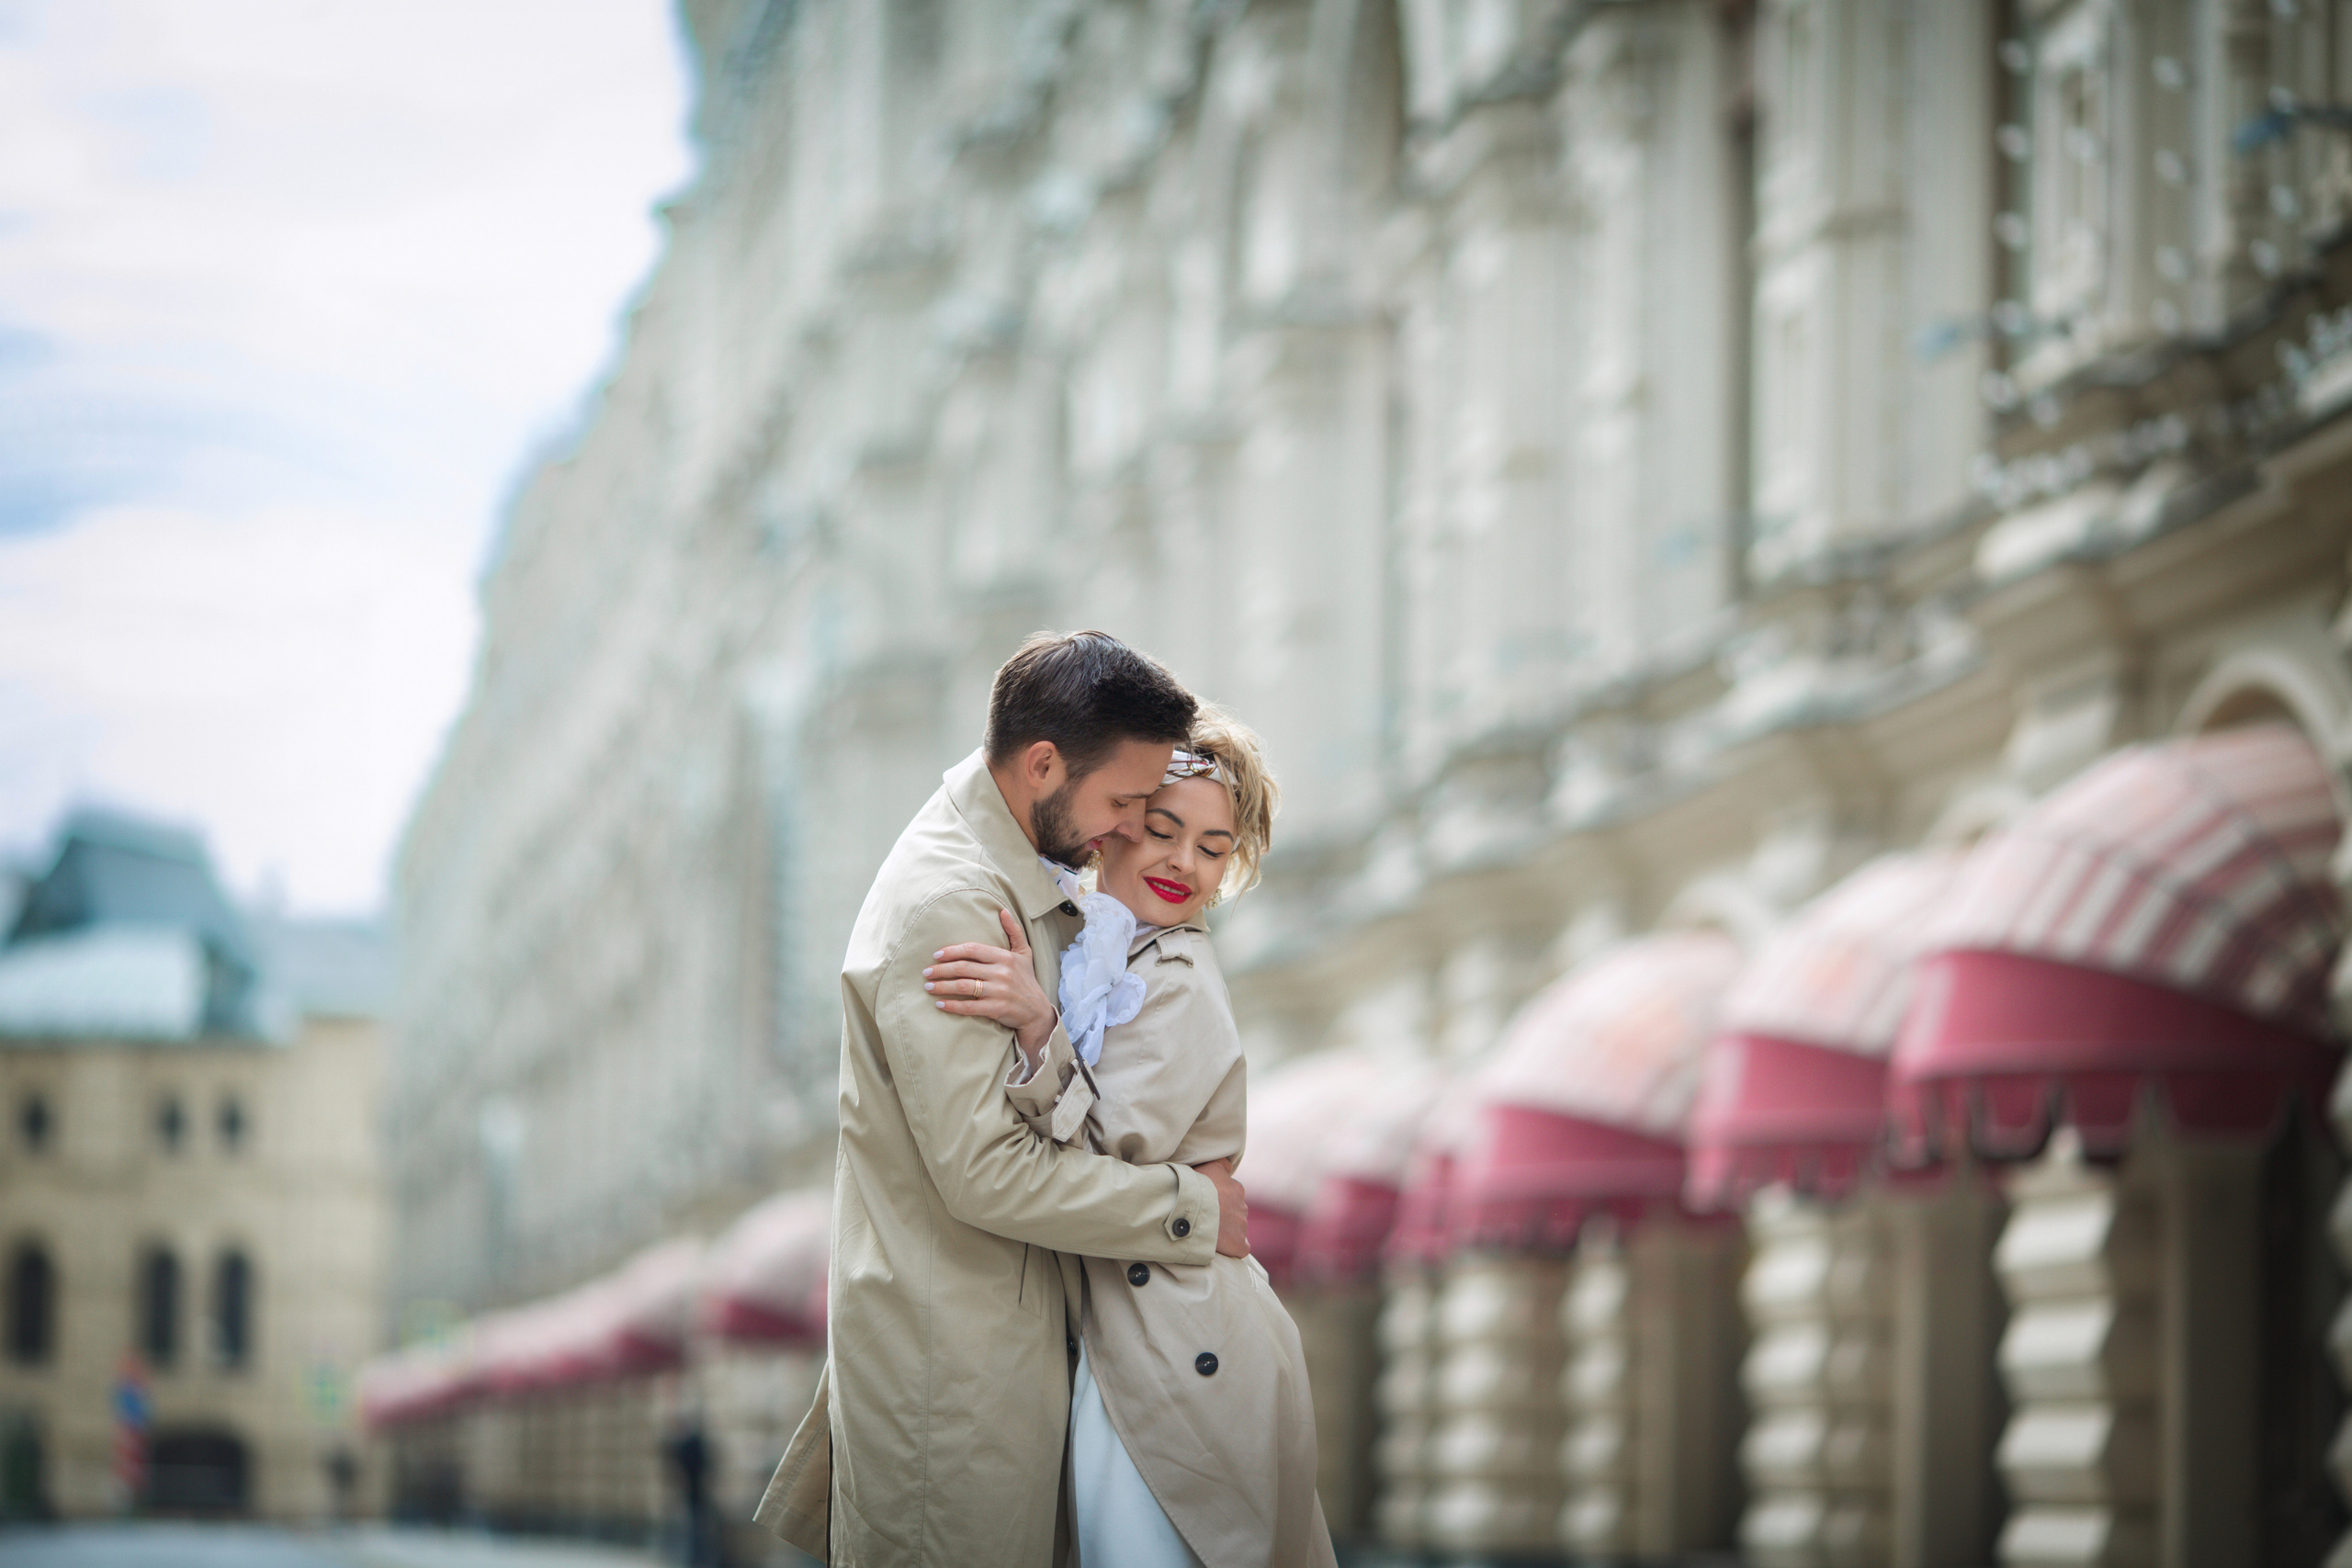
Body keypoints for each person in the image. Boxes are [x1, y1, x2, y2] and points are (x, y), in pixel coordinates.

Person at [754, 631, 1252, 1567]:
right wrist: (1191, 1209)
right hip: (956, 1380)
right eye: (1121, 803)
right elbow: (987, 1174)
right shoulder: (953, 901)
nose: (1123, 829)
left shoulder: (1014, 874)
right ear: (1041, 765)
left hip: (991, 1359)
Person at [922, 705, 1334, 1568]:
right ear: (1113, 830)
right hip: (1132, 1331)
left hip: (1181, 1344)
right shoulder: (1105, 954)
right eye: (1162, 828)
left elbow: (1097, 1163)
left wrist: (1038, 1025)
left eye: (1214, 847)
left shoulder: (1176, 979)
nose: (1184, 861)